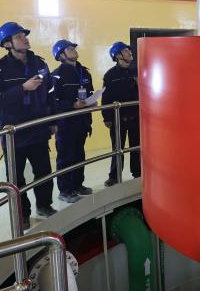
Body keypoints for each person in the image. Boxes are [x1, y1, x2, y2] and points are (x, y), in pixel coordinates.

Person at [0, 22, 58, 231]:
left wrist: (52, 120)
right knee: (16, 179)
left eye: (24, 35)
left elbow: (51, 94)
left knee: (43, 172)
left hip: (38, 130)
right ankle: (23, 214)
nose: (25, 39)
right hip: (14, 135)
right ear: (7, 44)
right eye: (19, 36)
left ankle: (44, 205)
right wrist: (22, 88)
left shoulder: (40, 64)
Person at [50, 39, 93, 202]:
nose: (74, 50)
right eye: (69, 49)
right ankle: (65, 190)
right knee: (65, 158)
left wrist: (91, 101)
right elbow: (53, 102)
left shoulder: (84, 72)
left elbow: (90, 92)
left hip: (82, 122)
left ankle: (77, 185)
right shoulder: (56, 75)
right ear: (61, 55)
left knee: (79, 155)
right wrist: (72, 105)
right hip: (65, 124)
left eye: (74, 48)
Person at [102, 41, 141, 186]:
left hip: (136, 117)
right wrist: (106, 117)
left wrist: (140, 84)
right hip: (118, 119)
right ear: (118, 55)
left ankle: (138, 173)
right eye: (126, 50)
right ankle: (114, 176)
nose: (130, 52)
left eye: (129, 50)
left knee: (136, 147)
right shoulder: (110, 75)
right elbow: (106, 98)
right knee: (118, 148)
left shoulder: (137, 71)